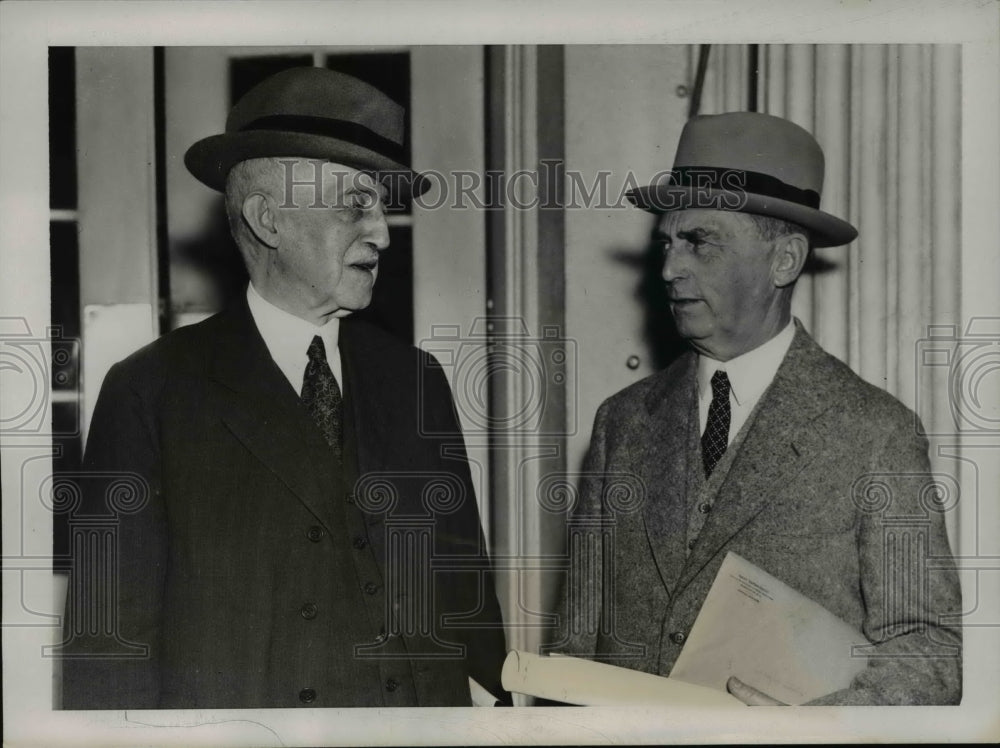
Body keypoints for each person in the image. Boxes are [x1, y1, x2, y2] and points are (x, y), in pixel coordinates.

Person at [60, 67, 508, 709]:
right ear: (269, 219)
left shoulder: (416, 381)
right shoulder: (150, 393)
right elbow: (108, 653)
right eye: (357, 204)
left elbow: (470, 606)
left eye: (383, 206)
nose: (381, 232)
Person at [552, 112, 962, 705]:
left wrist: (816, 730)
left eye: (700, 241)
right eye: (668, 241)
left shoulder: (875, 432)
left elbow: (930, 649)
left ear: (784, 260)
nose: (669, 269)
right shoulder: (620, 422)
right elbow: (575, 647)